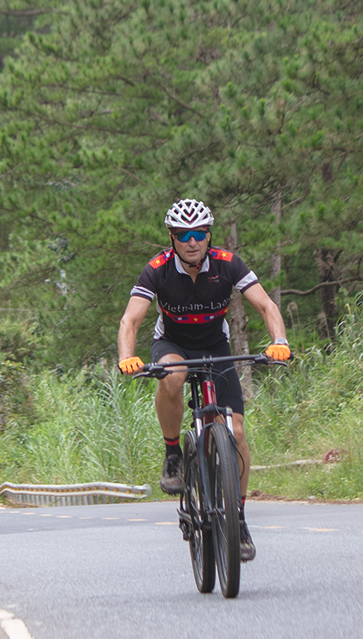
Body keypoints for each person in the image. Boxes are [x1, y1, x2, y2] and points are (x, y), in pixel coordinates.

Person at [116, 198, 291, 562]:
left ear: (209, 235)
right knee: (173, 375)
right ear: (172, 238)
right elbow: (130, 320)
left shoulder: (228, 264)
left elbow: (267, 306)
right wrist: (126, 356)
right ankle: (173, 454)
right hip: (173, 344)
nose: (192, 241)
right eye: (183, 235)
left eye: (199, 233)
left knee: (236, 432)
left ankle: (238, 518)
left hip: (214, 345)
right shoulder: (157, 269)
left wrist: (280, 341)